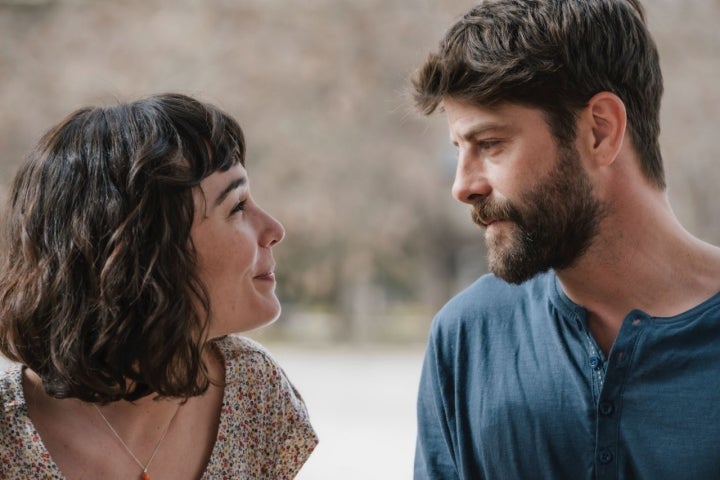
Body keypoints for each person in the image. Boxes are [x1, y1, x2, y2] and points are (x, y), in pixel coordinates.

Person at [410, 0, 720, 478]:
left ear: (600, 131)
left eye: (489, 144)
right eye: (458, 150)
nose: (462, 185)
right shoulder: (467, 337)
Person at [0, 93, 318, 479]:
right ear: (143, 251)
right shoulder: (8, 434)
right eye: (237, 206)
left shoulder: (253, 388)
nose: (274, 230)